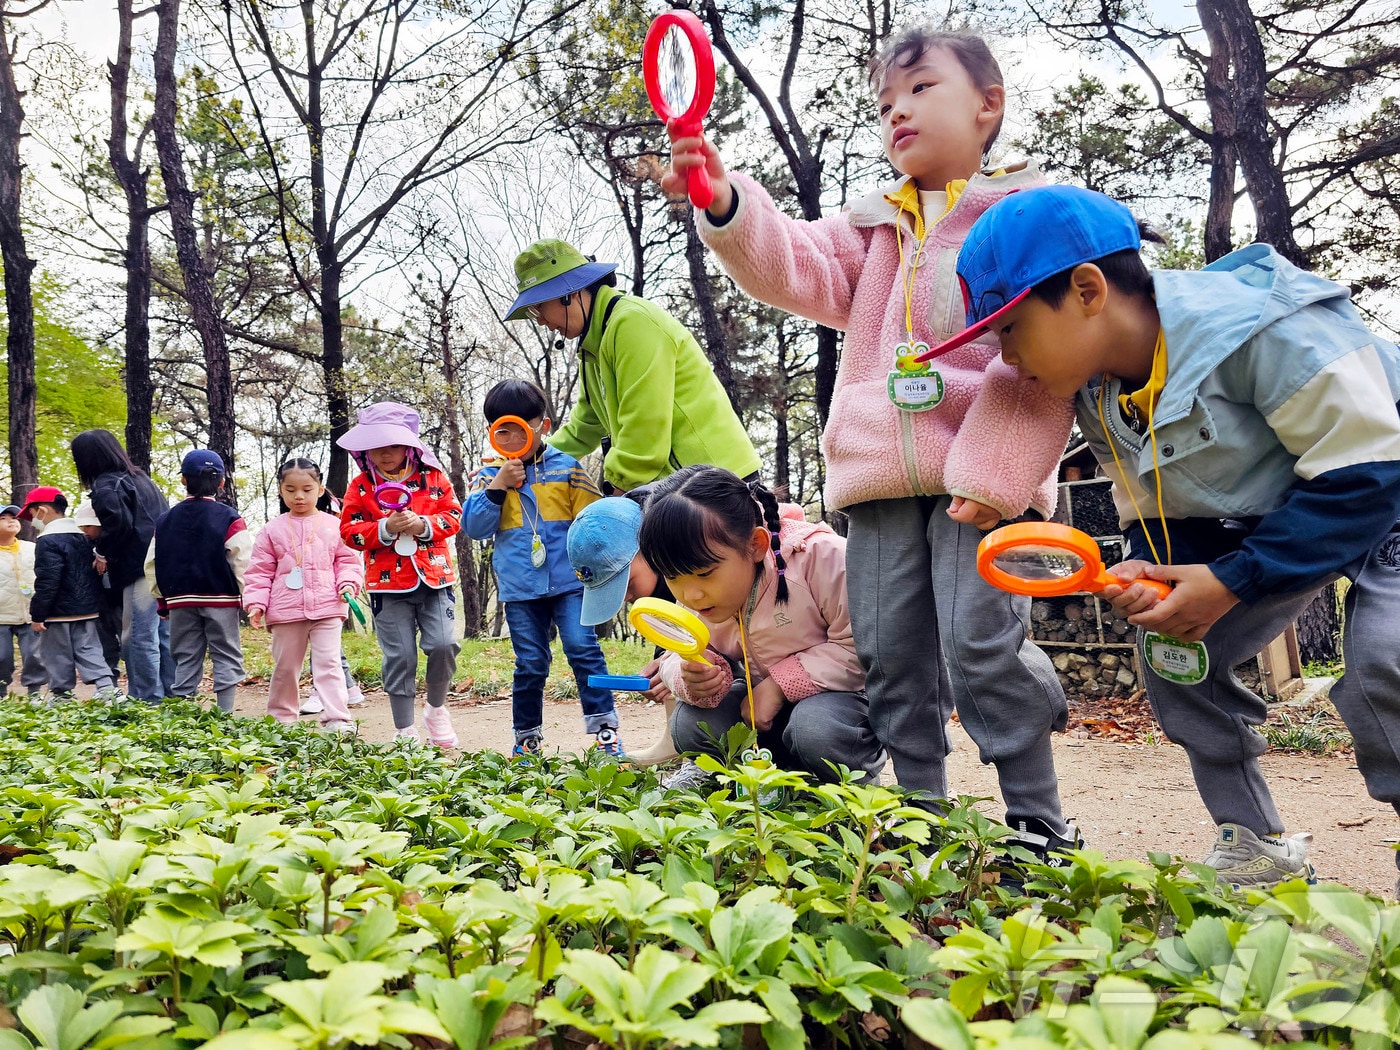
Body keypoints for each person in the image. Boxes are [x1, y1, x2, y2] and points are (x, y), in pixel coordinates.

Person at [666, 28, 1078, 856]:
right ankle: (921, 811)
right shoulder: (872, 228)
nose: (898, 112)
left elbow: (1047, 361)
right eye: (885, 103)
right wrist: (724, 200)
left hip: (982, 480)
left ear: (988, 104)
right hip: (878, 479)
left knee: (978, 645)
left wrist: (1001, 473)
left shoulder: (1026, 218)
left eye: (921, 90)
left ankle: (1038, 818)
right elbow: (796, 264)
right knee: (891, 651)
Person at [938, 182, 1400, 888]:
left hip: (1382, 485)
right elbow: (1158, 505)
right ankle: (1255, 844)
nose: (1005, 358)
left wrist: (1234, 580)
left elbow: (1369, 469)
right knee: (1175, 651)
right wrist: (1151, 568)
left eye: (1010, 328)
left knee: (1385, 660)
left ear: (1088, 290)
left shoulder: (1261, 326)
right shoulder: (1100, 389)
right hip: (1276, 511)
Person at [636, 466, 886, 787]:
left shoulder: (822, 559)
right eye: (673, 577)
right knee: (689, 724)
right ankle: (731, 778)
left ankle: (847, 787)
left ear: (755, 544)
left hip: (840, 705)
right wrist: (690, 675)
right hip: (760, 712)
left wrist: (778, 686)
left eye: (704, 574)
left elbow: (862, 649)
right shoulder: (697, 588)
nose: (690, 595)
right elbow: (678, 650)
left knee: (814, 729)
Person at [503, 239, 761, 493]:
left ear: (568, 293)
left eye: (538, 308)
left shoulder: (632, 323)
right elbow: (584, 427)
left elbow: (643, 431)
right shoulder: (595, 345)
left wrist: (612, 491)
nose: (540, 322)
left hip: (718, 483)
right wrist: (528, 458)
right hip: (683, 488)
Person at [464, 379, 623, 758]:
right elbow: (473, 528)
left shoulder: (568, 470)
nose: (512, 435)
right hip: (520, 591)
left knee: (584, 650)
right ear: (492, 433)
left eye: (522, 426)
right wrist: (498, 487)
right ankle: (527, 739)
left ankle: (605, 732)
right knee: (531, 663)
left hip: (571, 584)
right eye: (502, 428)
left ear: (543, 426)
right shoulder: (487, 477)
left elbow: (594, 523)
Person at [339, 402, 462, 747]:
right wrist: (384, 527)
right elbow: (349, 531)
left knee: (443, 644)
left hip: (435, 579)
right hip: (386, 585)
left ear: (408, 445)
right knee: (400, 655)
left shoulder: (433, 478)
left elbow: (454, 517)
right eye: (376, 445)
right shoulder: (360, 486)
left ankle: (436, 708)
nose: (385, 452)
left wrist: (424, 525)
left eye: (393, 444)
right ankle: (404, 728)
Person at [568, 492, 710, 783]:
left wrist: (674, 667)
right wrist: (665, 669)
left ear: (648, 546)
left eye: (627, 583)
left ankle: (701, 748)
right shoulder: (655, 590)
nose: (627, 597)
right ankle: (676, 741)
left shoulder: (691, 570)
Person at [245, 459, 363, 735]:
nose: (299, 496)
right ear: (280, 491)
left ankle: (337, 719)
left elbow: (348, 562)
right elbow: (259, 571)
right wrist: (256, 603)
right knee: (286, 666)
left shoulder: (335, 526)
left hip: (328, 607)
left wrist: (348, 585)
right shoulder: (271, 530)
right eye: (291, 489)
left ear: (320, 490)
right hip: (286, 610)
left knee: (329, 663)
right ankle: (281, 718)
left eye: (307, 489)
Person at [144, 451, 251, 713]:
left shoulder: (165, 520)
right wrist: (246, 597)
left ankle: (184, 713)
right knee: (225, 653)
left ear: (183, 480)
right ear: (222, 482)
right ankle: (224, 713)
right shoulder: (230, 518)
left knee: (185, 654)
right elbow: (242, 562)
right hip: (221, 599)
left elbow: (152, 564)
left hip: (180, 601)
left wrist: (162, 600)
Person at [71, 430, 174, 703]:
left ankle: (145, 698)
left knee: (137, 636)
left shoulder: (106, 485)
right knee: (161, 633)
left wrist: (102, 552)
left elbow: (118, 525)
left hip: (137, 568)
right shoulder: (141, 478)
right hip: (163, 563)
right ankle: (172, 695)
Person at [20, 487, 123, 703]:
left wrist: (38, 613)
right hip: (88, 609)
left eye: (31, 515)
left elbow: (48, 580)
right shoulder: (82, 537)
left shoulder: (48, 540)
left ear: (42, 510)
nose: (31, 521)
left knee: (56, 653)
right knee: (90, 649)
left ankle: (61, 695)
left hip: (58, 612)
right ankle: (107, 689)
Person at [74, 501, 122, 681]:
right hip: (99, 604)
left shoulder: (118, 544)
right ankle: (110, 684)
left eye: (89, 526)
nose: (85, 530)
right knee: (105, 644)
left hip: (119, 600)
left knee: (128, 642)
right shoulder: (84, 545)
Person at [0, 502, 43, 699]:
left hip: (29, 612)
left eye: (13, 518)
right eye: (3, 519)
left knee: (34, 655)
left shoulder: (32, 548)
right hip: (2, 615)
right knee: (2, 657)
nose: (11, 522)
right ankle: (1, 691)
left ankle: (34, 693)